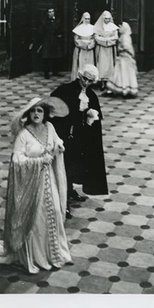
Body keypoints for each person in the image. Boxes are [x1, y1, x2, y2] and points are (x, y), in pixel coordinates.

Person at [0, 96, 73, 274]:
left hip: (49, 180)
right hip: (30, 183)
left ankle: (55, 254)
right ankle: (37, 258)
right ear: (28, 114)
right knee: (36, 219)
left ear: (45, 113)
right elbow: (16, 159)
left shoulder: (50, 127)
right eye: (33, 111)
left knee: (53, 212)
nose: (36, 114)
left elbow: (56, 141)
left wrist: (59, 146)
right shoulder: (23, 134)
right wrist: (39, 161)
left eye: (40, 110)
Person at [50, 64, 108, 219]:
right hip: (65, 136)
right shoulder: (65, 90)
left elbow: (96, 118)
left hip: (80, 138)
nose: (86, 83)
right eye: (84, 79)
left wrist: (90, 116)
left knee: (75, 166)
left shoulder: (91, 95)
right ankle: (64, 203)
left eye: (90, 81)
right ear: (79, 75)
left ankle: (69, 190)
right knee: (64, 167)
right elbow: (55, 110)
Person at [106, 21, 138, 98]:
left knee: (124, 73)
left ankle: (125, 89)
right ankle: (122, 89)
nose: (119, 29)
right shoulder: (123, 36)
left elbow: (127, 47)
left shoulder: (125, 37)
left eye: (121, 27)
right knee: (120, 73)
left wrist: (121, 49)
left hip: (125, 58)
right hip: (122, 57)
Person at [94, 10, 119, 90]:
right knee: (102, 65)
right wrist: (106, 41)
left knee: (110, 66)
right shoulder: (98, 27)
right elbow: (96, 38)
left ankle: (109, 83)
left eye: (108, 19)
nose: (107, 20)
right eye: (106, 19)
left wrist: (107, 40)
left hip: (110, 50)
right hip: (101, 50)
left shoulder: (113, 27)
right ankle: (102, 83)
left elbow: (115, 37)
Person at [38, 7, 64, 79]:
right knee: (46, 57)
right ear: (47, 13)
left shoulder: (58, 21)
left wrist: (60, 35)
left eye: (52, 11)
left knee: (56, 57)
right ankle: (46, 73)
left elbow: (60, 30)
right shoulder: (44, 21)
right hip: (47, 41)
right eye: (49, 12)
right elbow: (41, 31)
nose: (51, 13)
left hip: (55, 41)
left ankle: (55, 72)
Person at [71, 12, 96, 81]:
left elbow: (94, 39)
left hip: (89, 51)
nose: (87, 20)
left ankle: (89, 80)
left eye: (88, 19)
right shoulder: (78, 28)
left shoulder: (93, 28)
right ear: (83, 19)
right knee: (80, 65)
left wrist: (90, 45)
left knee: (89, 66)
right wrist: (85, 45)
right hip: (80, 51)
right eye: (86, 19)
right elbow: (76, 40)